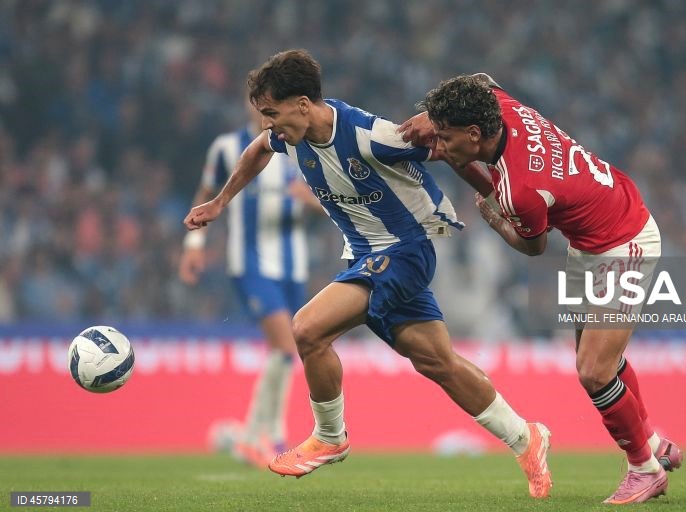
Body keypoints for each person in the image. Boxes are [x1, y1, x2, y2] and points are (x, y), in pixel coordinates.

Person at [184, 49, 553, 499]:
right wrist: (221, 201)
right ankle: (525, 438)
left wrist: (500, 196)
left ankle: (330, 436)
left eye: (271, 113)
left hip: (406, 251)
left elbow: (454, 148)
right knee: (439, 363)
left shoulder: (370, 136)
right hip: (366, 256)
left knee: (307, 329)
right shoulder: (290, 136)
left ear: (302, 103)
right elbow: (258, 150)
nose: (267, 125)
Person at [400, 74, 683, 505]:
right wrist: (431, 119)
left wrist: (493, 218)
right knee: (600, 360)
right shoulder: (499, 103)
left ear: (474, 134)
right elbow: (479, 79)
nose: (439, 142)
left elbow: (532, 246)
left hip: (623, 242)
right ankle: (653, 441)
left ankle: (644, 469)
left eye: (446, 136)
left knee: (594, 370)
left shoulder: (521, 191)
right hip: (595, 234)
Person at [179, 100, 322, 468]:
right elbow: (205, 192)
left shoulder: (302, 148)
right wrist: (194, 244)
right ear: (250, 103)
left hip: (294, 266)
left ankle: (257, 434)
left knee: (289, 351)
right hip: (250, 263)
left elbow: (332, 202)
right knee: (285, 344)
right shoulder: (227, 148)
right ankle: (264, 434)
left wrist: (313, 202)